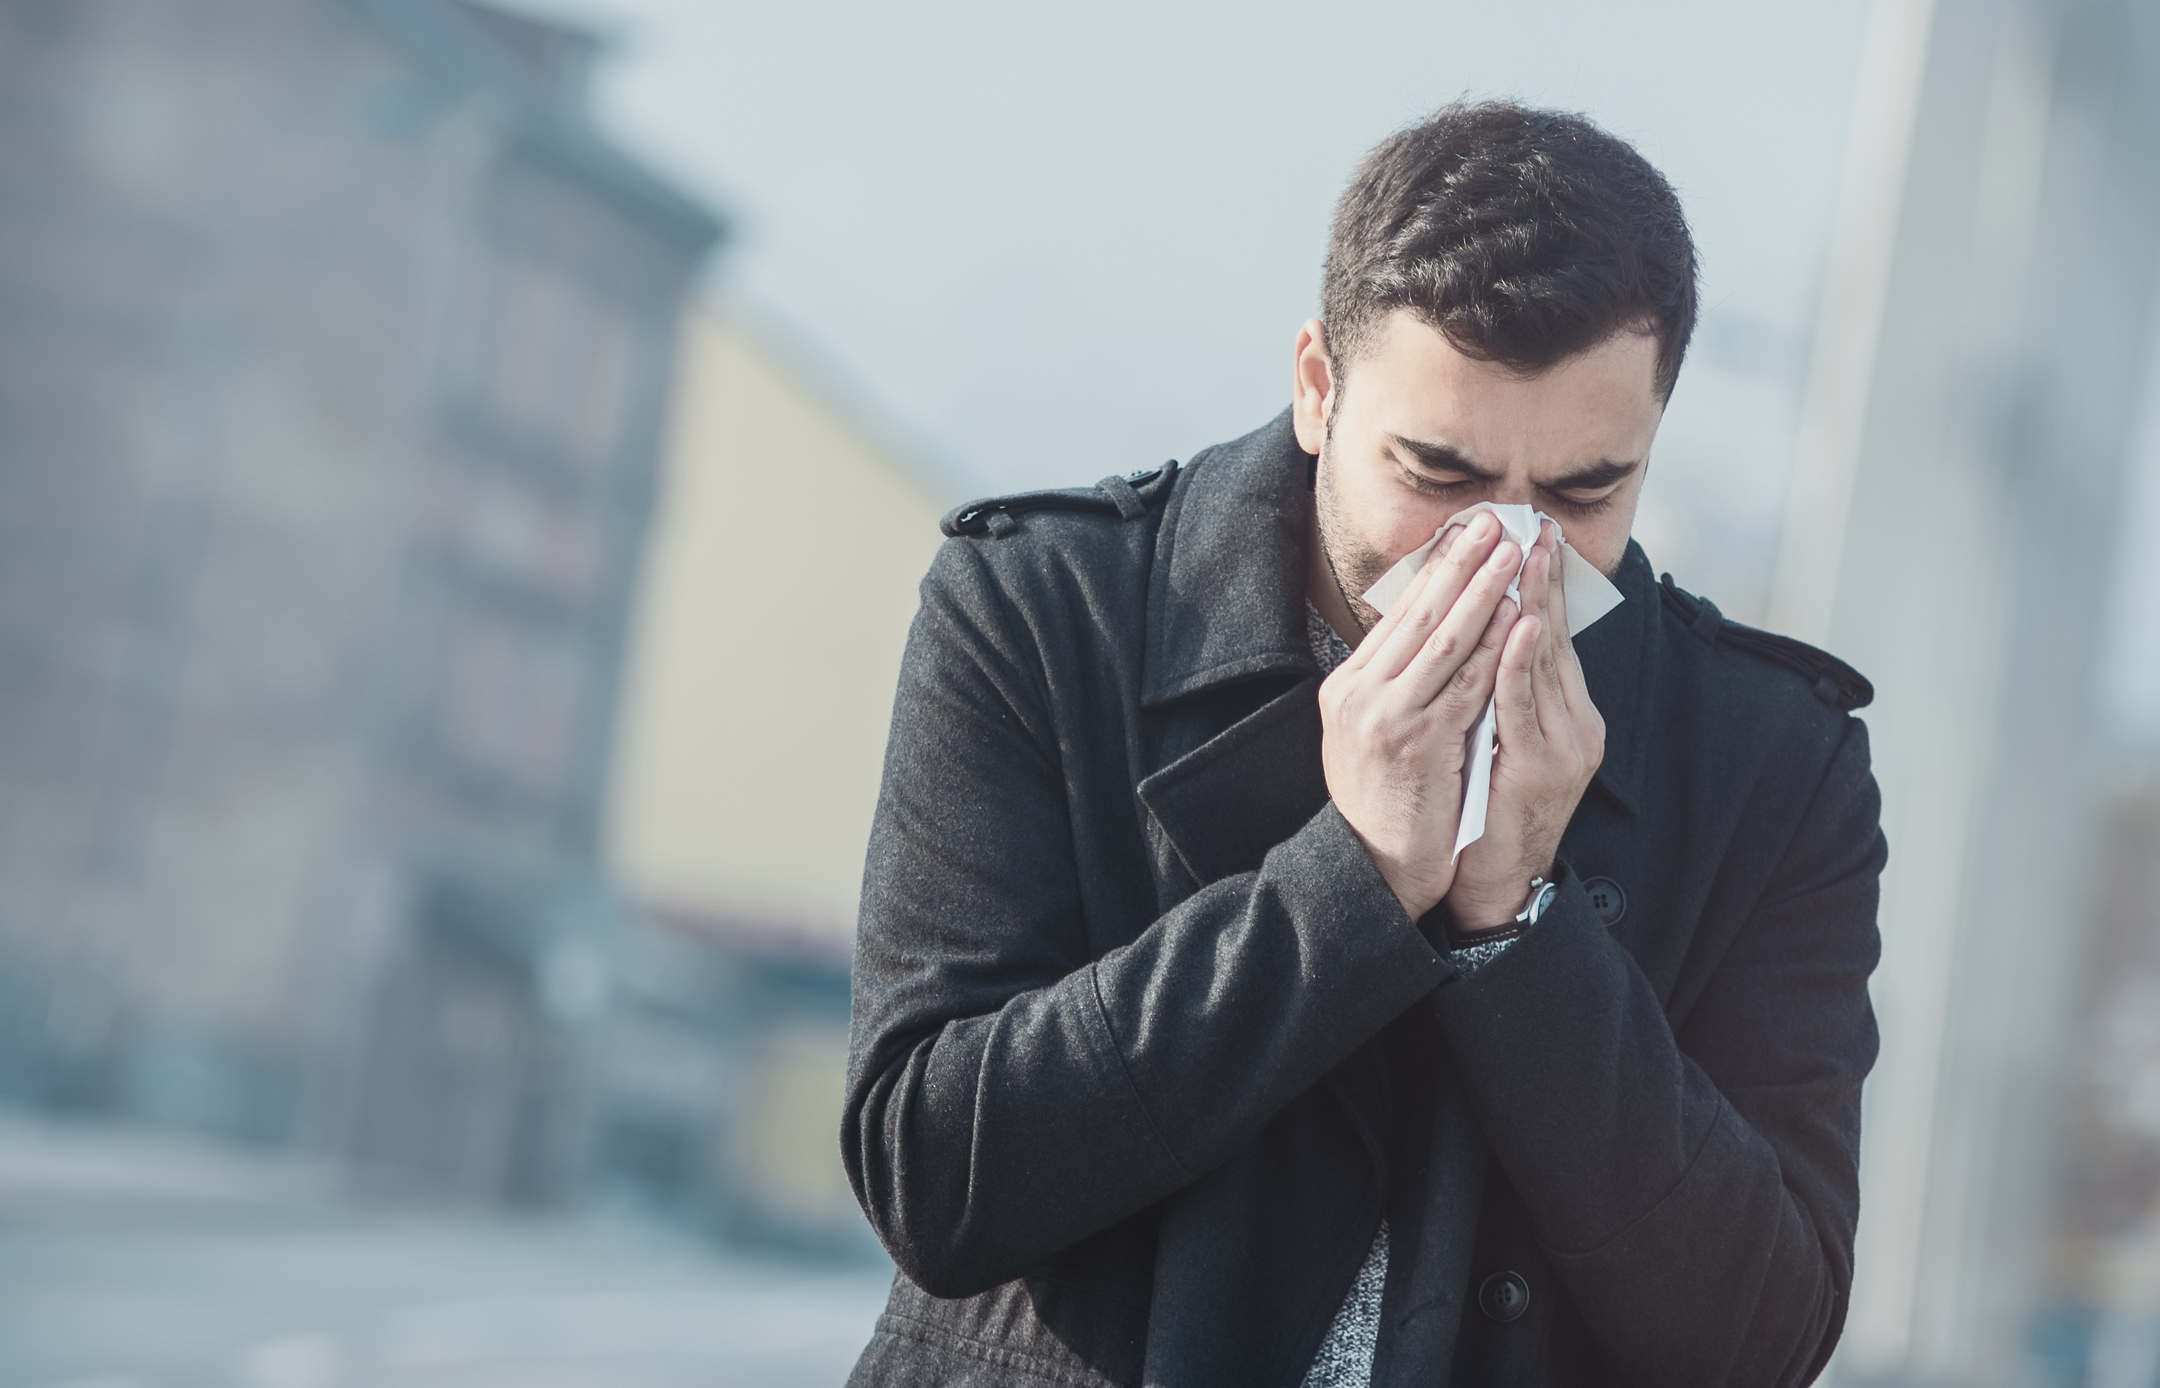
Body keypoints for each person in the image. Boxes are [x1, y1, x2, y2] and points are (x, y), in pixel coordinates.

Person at [841, 100, 1885, 1388]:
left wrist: (1518, 927)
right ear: (1318, 391)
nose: (1506, 553)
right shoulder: (1053, 614)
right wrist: (1356, 881)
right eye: (1438, 473)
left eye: (1582, 492)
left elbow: (1761, 1336)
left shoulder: (1772, 764)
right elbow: (935, 1175)